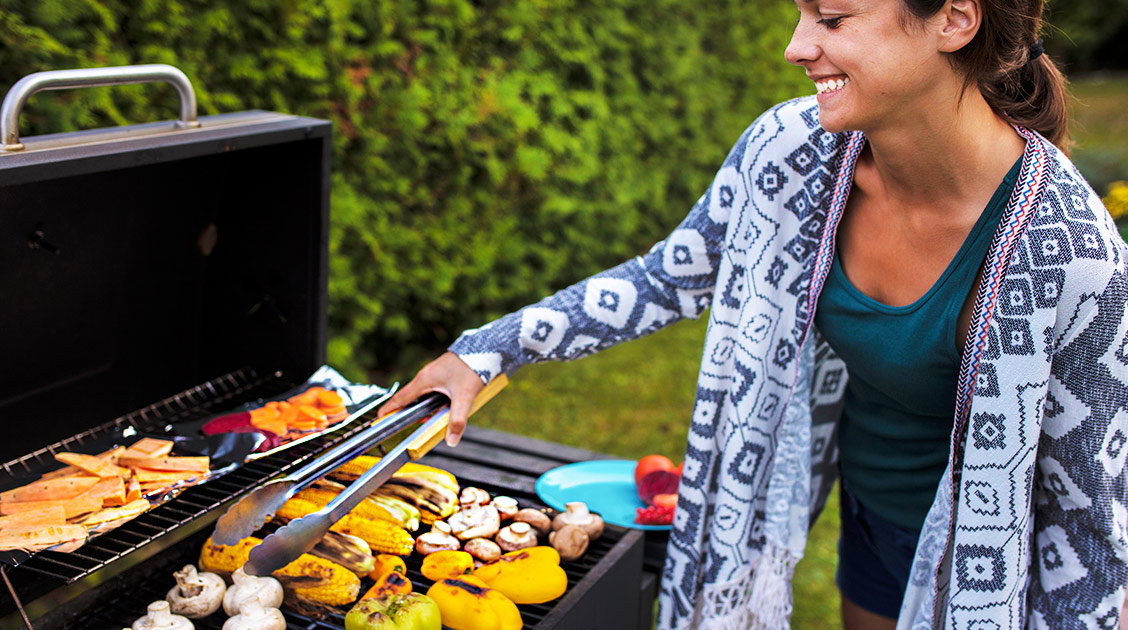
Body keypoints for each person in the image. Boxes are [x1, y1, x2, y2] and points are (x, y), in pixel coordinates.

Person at [378, 0, 1128, 628]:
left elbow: (1094, 526)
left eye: (832, 18)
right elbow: (663, 279)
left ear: (955, 19)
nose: (796, 46)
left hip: (997, 569)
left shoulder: (1070, 255)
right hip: (870, 523)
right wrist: (486, 351)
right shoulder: (789, 151)